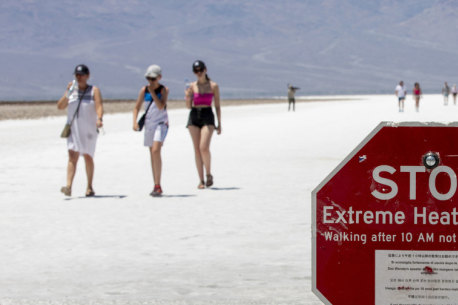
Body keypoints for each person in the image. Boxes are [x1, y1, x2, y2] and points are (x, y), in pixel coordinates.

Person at [57, 64, 103, 197]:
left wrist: (99, 118)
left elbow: (99, 106)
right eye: (77, 75)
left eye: (81, 75)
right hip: (73, 128)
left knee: (88, 156)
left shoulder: (94, 90)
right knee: (72, 155)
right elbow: (60, 106)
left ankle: (89, 186)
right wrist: (67, 93)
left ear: (87, 76)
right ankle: (68, 186)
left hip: (88, 129)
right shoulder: (71, 90)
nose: (79, 77)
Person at [133, 65, 169, 197]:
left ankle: (158, 184)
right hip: (149, 124)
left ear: (159, 77)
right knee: (152, 154)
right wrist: (134, 121)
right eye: (148, 78)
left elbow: (160, 106)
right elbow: (136, 107)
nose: (150, 81)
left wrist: (153, 92)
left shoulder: (164, 89)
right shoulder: (144, 90)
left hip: (161, 123)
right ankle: (156, 184)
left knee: (156, 150)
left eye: (153, 78)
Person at [185, 60, 222, 189]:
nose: (199, 73)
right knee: (196, 149)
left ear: (205, 70)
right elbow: (189, 107)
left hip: (207, 115)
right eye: (196, 71)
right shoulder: (192, 86)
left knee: (203, 147)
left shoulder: (213, 86)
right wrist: (188, 97)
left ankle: (208, 174)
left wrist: (219, 123)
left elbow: (217, 105)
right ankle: (200, 180)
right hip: (194, 116)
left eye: (201, 70)